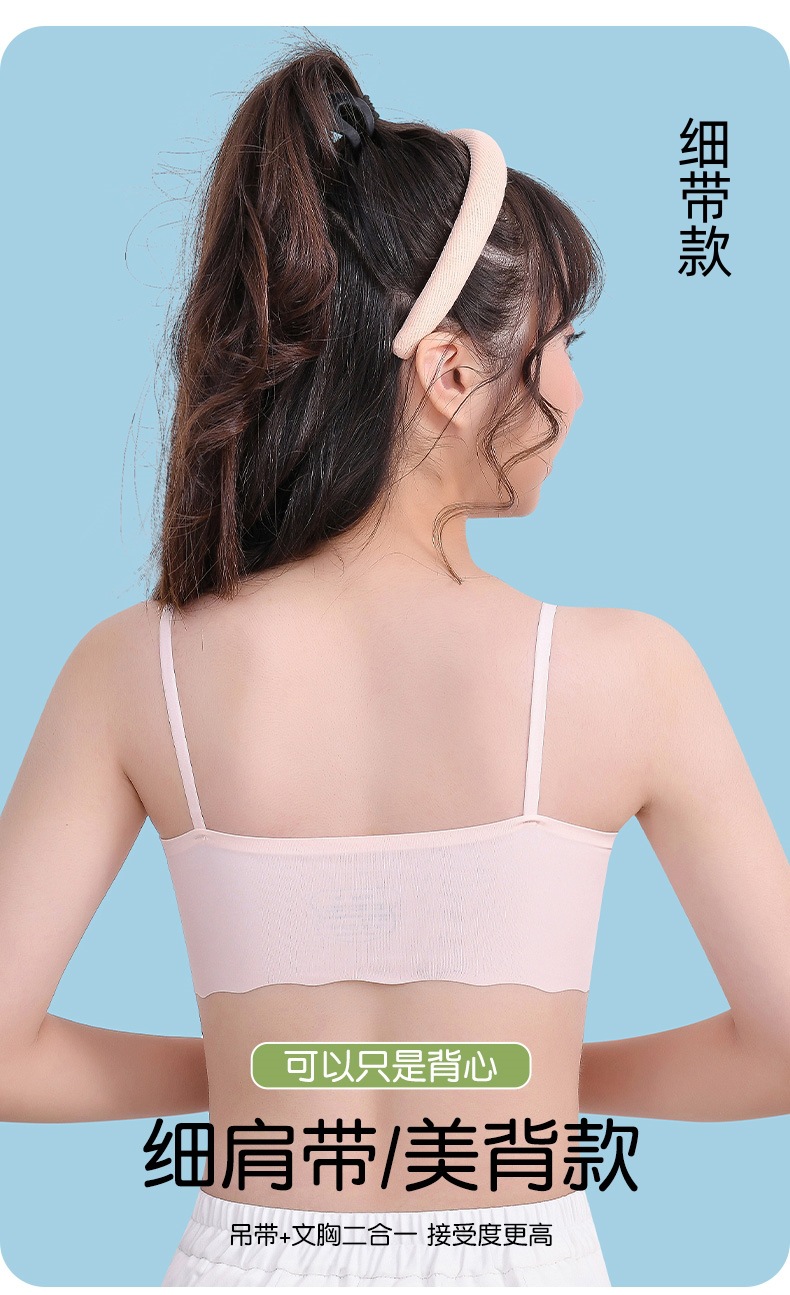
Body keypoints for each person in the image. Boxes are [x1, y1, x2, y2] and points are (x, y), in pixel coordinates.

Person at [1, 36, 789, 1290]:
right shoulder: (628, 674)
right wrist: (532, 1078)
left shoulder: (133, 668)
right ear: (448, 368)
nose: (576, 391)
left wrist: (246, 1077)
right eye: (562, 341)